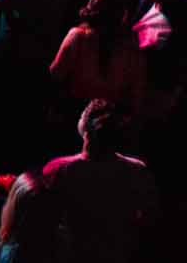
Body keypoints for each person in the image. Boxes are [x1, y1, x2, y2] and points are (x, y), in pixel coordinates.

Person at [39, 99, 161, 261]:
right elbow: (149, 218)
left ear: (84, 127)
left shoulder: (58, 168)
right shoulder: (137, 170)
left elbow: (41, 219)